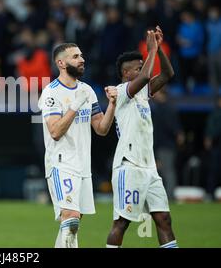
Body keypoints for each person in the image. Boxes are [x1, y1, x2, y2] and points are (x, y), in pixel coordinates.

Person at [38, 43, 118, 248]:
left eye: (81, 55)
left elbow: (101, 128)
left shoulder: (87, 90)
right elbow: (55, 132)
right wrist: (74, 105)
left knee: (72, 223)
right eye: (75, 56)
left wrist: (112, 105)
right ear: (61, 63)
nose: (82, 59)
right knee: (71, 218)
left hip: (83, 166)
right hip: (61, 163)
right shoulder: (51, 93)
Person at [106, 27, 179, 248]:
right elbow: (147, 75)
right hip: (129, 166)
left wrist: (159, 50)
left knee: (164, 219)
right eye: (137, 68)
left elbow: (167, 74)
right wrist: (152, 50)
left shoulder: (142, 94)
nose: (143, 70)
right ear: (127, 74)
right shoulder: (121, 92)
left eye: (142, 66)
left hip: (149, 169)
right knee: (122, 222)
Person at [151, 87, 185, 200]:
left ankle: (169, 196)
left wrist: (178, 135)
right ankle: (164, 196)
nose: (154, 95)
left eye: (156, 93)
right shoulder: (161, 108)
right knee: (164, 171)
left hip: (166, 146)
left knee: (168, 171)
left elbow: (175, 128)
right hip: (163, 145)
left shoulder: (167, 109)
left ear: (162, 94)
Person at [203, 96, 221, 199]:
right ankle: (210, 193)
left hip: (216, 145)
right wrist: (209, 137)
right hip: (216, 146)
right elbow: (211, 128)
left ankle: (210, 192)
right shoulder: (215, 113)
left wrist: (209, 137)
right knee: (213, 170)